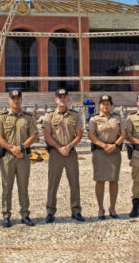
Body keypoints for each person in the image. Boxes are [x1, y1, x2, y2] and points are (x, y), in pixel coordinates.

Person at [0, 89, 37, 227]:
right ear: (9, 100)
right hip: (7, 156)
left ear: (21, 100)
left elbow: (34, 136)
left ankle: (25, 214)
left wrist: (21, 147)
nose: (16, 101)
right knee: (7, 187)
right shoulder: (2, 117)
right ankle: (6, 215)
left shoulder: (28, 117)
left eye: (18, 98)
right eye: (13, 99)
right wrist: (12, 148)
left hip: (23, 156)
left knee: (23, 187)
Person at [43, 88, 84, 223]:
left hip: (70, 152)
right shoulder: (49, 116)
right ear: (56, 99)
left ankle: (76, 211)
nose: (62, 99)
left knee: (74, 183)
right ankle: (50, 211)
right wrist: (59, 148)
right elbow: (47, 135)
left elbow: (78, 135)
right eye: (59, 97)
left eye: (64, 97)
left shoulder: (75, 115)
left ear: (68, 99)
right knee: (53, 183)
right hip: (56, 153)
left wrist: (68, 147)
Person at [88, 95, 126, 219]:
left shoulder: (118, 118)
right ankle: (100, 208)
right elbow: (91, 135)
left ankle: (112, 208)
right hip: (100, 152)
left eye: (108, 104)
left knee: (113, 180)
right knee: (100, 180)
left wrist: (115, 145)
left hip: (114, 152)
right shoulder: (94, 119)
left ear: (111, 105)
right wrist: (103, 145)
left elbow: (123, 134)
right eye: (103, 104)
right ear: (99, 105)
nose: (105, 106)